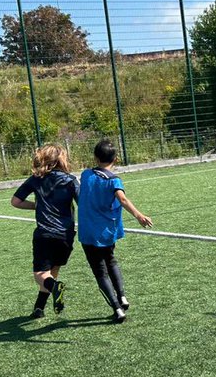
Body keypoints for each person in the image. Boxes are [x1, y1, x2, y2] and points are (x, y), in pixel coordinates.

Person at [77, 138, 153, 324]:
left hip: (89, 232)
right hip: (107, 231)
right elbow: (123, 199)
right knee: (111, 261)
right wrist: (139, 216)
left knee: (100, 272)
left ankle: (117, 309)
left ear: (95, 157)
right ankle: (123, 297)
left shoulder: (86, 175)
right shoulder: (114, 180)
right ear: (116, 159)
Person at [11, 144, 78, 319]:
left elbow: (16, 202)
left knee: (40, 274)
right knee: (53, 270)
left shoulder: (35, 179)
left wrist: (36, 205)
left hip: (45, 234)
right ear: (61, 159)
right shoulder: (71, 180)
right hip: (66, 235)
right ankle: (39, 307)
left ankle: (55, 288)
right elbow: (83, 203)